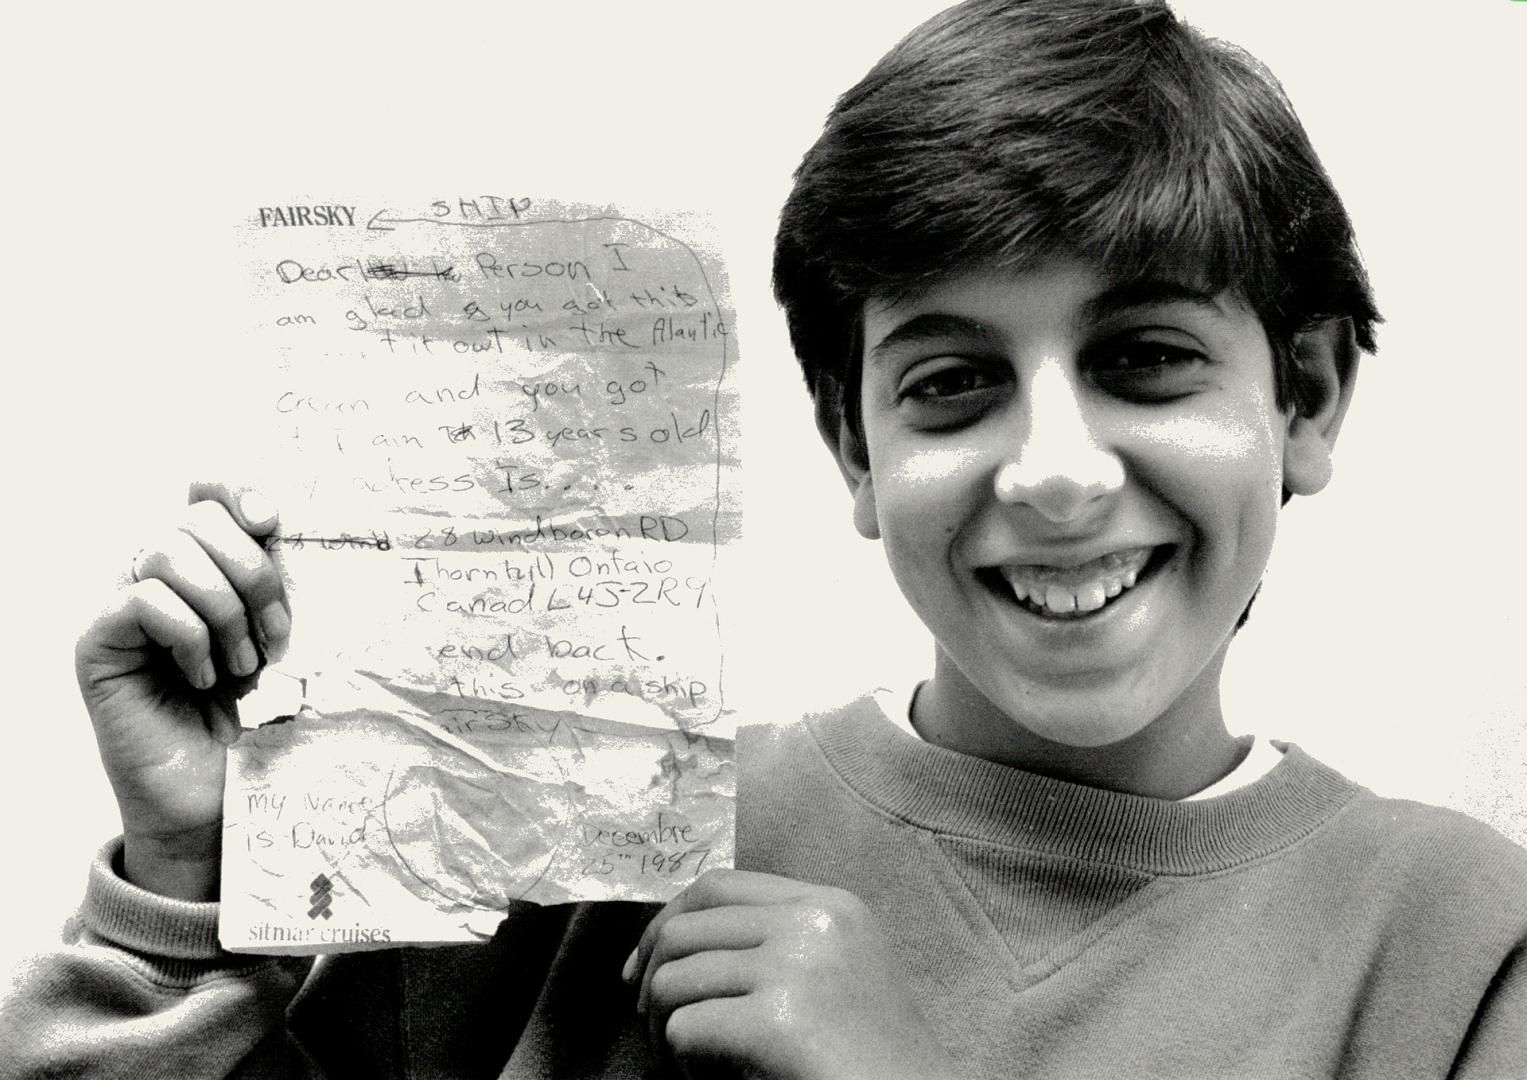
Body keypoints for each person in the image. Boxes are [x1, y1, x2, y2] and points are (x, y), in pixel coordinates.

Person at [4, 1, 1524, 1077]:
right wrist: (182, 891)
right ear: (857, 450)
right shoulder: (566, 843)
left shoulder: (1461, 952)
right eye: (954, 383)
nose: (1056, 476)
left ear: (1305, 395)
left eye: (1145, 359)